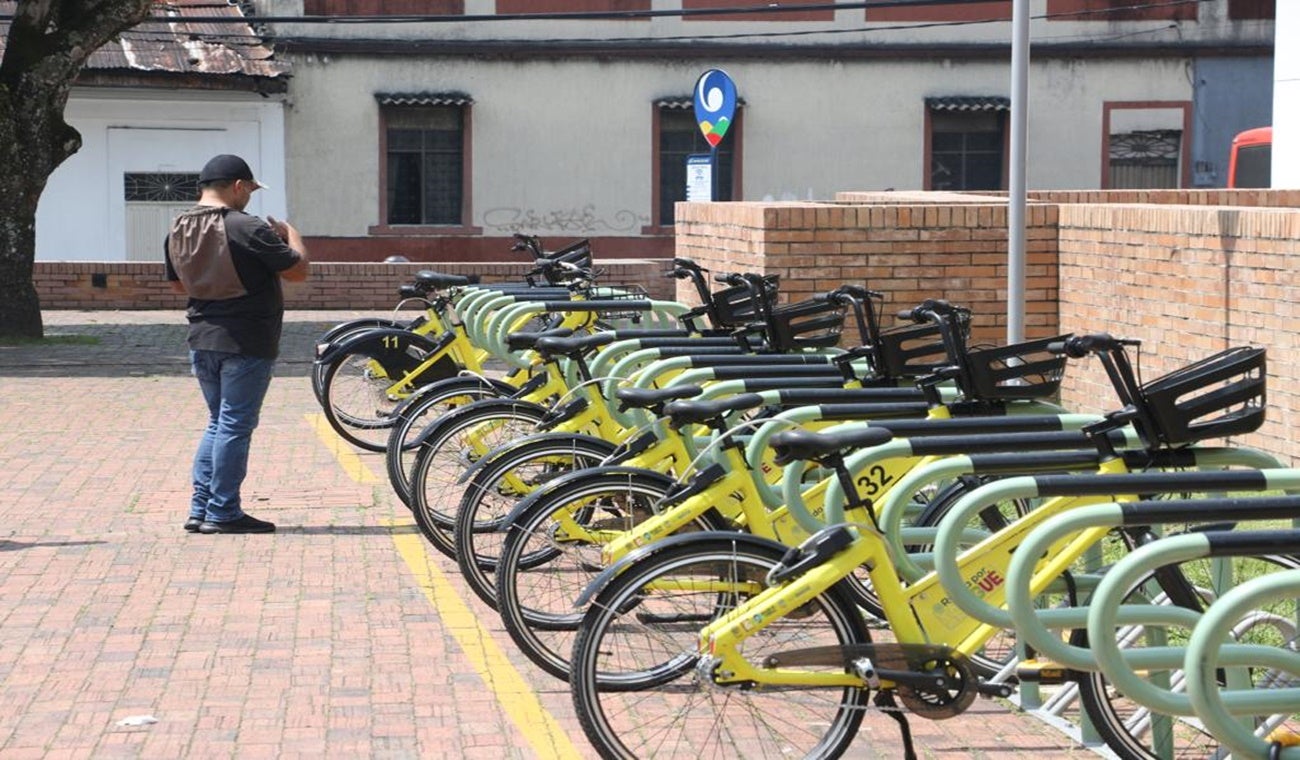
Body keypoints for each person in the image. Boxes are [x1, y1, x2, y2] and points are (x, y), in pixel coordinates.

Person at [165, 154, 309, 534]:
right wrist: (291, 235)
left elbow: (178, 285)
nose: (250, 197)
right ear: (238, 186)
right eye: (250, 190)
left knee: (218, 423)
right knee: (233, 426)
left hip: (201, 338)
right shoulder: (248, 227)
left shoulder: (177, 229)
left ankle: (201, 509)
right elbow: (298, 271)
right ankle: (224, 511)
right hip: (246, 341)